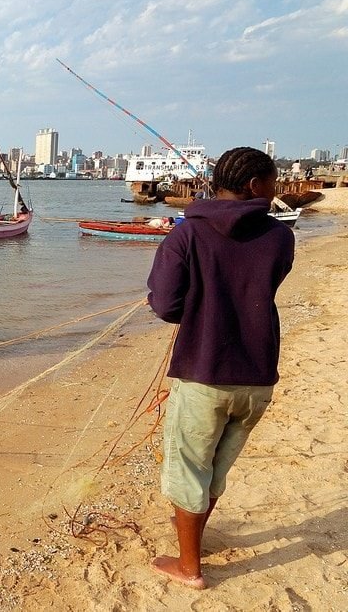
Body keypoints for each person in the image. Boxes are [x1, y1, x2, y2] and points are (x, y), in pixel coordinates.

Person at [146, 146, 295, 589]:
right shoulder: (280, 237)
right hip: (258, 375)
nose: (277, 191)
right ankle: (194, 543)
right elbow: (263, 282)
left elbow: (165, 304)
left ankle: (189, 567)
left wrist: (196, 305)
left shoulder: (186, 234)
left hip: (204, 373)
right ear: (254, 186)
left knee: (190, 468)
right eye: (273, 182)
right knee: (215, 467)